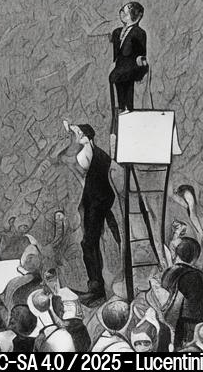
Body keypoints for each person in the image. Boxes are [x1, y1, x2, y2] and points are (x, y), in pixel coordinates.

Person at [65, 123, 119, 305]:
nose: (77, 135)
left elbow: (76, 161)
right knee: (91, 242)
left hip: (96, 202)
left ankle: (96, 289)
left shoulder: (86, 153)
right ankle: (96, 287)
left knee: (89, 242)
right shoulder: (100, 153)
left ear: (88, 136)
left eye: (80, 133)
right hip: (100, 200)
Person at [159, 236, 203, 344]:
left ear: (177, 253)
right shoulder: (197, 276)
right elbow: (199, 311)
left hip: (167, 324)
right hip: (189, 329)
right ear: (195, 257)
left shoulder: (167, 273)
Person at [109, 1, 149, 113]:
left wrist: (141, 63)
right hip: (119, 65)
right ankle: (122, 107)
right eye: (122, 11)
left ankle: (128, 107)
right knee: (118, 85)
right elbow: (116, 51)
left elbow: (141, 52)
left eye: (125, 13)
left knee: (127, 86)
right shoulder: (117, 32)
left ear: (134, 17)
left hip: (131, 66)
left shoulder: (139, 32)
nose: (122, 14)